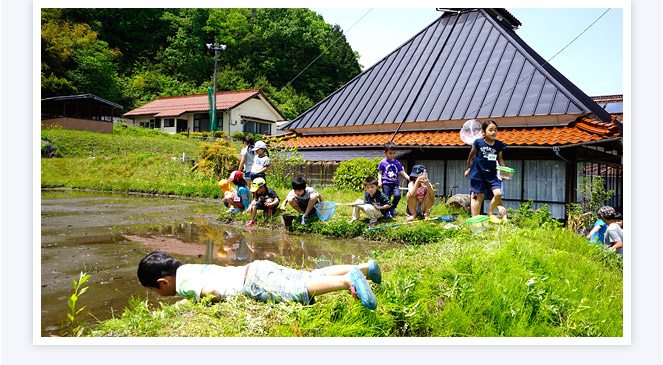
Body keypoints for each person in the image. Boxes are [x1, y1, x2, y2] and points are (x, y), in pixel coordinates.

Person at [137, 251, 381, 309]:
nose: (159, 295)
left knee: (297, 290)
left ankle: (348, 279)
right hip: (256, 267)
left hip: (253, 283)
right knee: (308, 276)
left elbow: (212, 292)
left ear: (162, 283)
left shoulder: (183, 285)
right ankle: (365, 267)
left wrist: (191, 302)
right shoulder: (188, 267)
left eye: (155, 291)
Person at [464, 120, 507, 222]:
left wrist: (504, 169)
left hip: (491, 175)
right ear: (483, 132)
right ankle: (476, 221)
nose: (493, 132)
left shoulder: (499, 145)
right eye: (490, 130)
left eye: (495, 130)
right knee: (480, 196)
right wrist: (469, 163)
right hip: (478, 174)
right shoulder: (478, 142)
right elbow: (472, 154)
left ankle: (490, 213)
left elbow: (499, 158)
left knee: (498, 194)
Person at [377, 142, 410, 217]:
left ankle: (392, 208)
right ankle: (385, 212)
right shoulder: (383, 162)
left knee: (397, 195)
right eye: (390, 153)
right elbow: (380, 172)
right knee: (386, 198)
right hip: (386, 183)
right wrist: (379, 181)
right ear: (385, 152)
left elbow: (402, 171)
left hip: (395, 183)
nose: (392, 155)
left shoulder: (397, 162)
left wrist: (408, 178)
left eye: (394, 153)